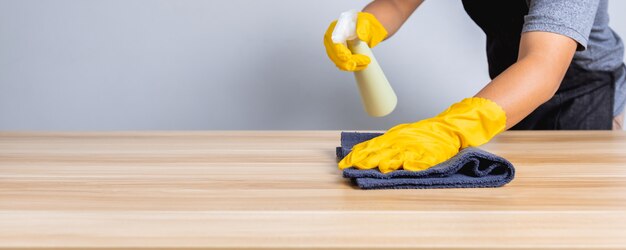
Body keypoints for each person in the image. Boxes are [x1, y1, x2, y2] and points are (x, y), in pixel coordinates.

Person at [323, 0, 625, 173]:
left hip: (587, 97)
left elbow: (543, 66)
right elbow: (396, 5)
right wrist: (362, 26)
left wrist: (448, 130)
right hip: (511, 94)